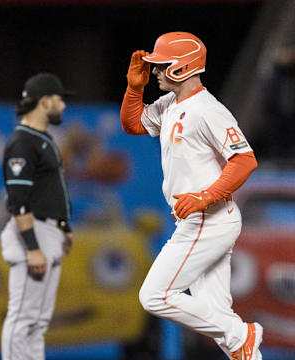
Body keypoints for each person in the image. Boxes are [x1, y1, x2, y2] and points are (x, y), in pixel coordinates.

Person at [120, 32, 263, 360]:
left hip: (208, 218)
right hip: (199, 218)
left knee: (154, 296)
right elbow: (133, 124)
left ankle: (240, 333)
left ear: (181, 68)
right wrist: (134, 88)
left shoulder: (207, 109)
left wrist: (206, 196)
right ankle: (242, 343)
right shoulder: (170, 103)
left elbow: (244, 159)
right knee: (215, 312)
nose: (154, 71)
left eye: (160, 65)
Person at [0, 73, 73, 360]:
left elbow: (49, 193)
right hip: (34, 234)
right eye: (59, 98)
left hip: (48, 232)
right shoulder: (23, 142)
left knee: (38, 322)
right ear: (44, 101)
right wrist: (32, 246)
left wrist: (64, 227)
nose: (63, 104)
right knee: (22, 318)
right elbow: (18, 201)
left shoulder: (40, 139)